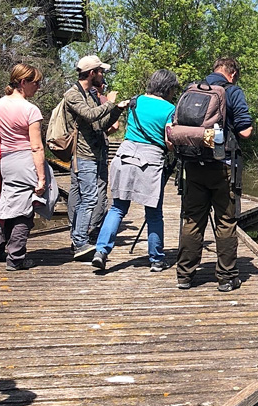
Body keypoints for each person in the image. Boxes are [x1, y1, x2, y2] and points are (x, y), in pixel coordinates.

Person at [175, 57, 253, 292]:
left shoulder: (192, 89)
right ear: (234, 73)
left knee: (191, 219)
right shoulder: (233, 91)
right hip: (222, 167)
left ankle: (185, 276)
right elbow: (246, 131)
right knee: (225, 221)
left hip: (192, 165)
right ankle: (227, 278)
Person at [91, 69, 178, 273]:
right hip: (150, 160)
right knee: (154, 213)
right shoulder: (170, 109)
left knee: (117, 208)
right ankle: (156, 259)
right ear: (168, 88)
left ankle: (101, 252)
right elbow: (168, 141)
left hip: (125, 155)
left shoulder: (135, 101)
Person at [0, 63, 59, 271]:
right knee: (26, 210)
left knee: (9, 204)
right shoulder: (30, 110)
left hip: (7, 160)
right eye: (36, 83)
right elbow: (36, 147)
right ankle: (16, 258)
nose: (38, 87)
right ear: (23, 82)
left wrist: (9, 151)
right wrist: (42, 179)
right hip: (26, 160)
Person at [64, 55, 128, 260]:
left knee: (91, 196)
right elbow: (90, 115)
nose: (103, 75)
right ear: (92, 73)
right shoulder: (72, 94)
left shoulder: (90, 94)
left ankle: (80, 239)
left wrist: (117, 110)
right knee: (90, 197)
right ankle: (80, 241)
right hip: (83, 154)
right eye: (101, 71)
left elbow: (99, 125)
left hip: (97, 153)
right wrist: (110, 103)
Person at [66, 79, 120, 243]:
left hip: (77, 152)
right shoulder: (100, 99)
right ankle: (87, 233)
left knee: (76, 190)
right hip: (90, 152)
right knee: (94, 193)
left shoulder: (83, 97)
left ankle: (75, 228)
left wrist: (117, 109)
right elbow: (113, 126)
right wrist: (111, 103)